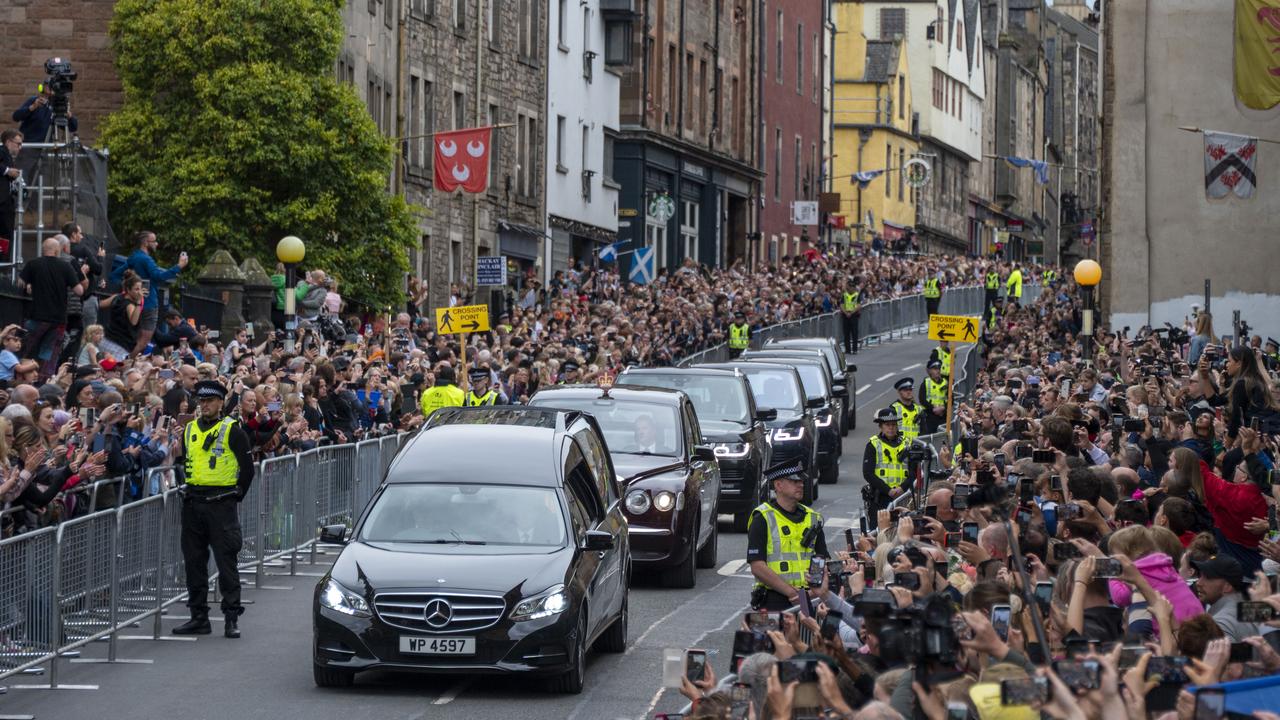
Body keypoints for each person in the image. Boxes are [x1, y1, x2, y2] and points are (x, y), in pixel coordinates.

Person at [173, 380, 254, 639]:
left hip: (221, 503)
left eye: (209, 401)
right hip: (194, 503)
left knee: (226, 562)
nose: (204, 405)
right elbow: (182, 462)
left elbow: (248, 468)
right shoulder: (189, 430)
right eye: (201, 401)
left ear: (221, 403)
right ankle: (198, 617)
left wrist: (237, 495)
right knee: (194, 563)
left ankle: (231, 618)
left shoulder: (232, 430)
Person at [746, 462, 826, 610]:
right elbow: (757, 566)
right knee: (771, 634)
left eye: (801, 481)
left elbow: (821, 557)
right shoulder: (762, 517)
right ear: (778, 485)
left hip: (809, 598)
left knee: (810, 633)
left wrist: (814, 589)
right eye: (794, 481)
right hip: (773, 598)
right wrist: (791, 593)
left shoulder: (814, 518)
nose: (801, 485)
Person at [19, 236, 86, 378]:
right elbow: (79, 290)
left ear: (43, 250)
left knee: (28, 348)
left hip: (37, 315)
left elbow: (20, 283)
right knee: (49, 353)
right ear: (57, 251)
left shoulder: (33, 264)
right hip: (59, 319)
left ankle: (22, 379)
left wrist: (31, 285)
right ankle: (43, 381)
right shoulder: (66, 266)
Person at [126, 230, 188, 354]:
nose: (157, 244)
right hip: (148, 303)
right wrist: (179, 266)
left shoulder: (133, 257)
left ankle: (131, 366)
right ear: (145, 243)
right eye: (154, 241)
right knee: (143, 341)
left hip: (134, 301)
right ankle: (126, 366)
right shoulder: (146, 259)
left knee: (135, 339)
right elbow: (158, 276)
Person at [861, 408, 907, 531]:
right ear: (881, 426)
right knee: (879, 534)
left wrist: (902, 488)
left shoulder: (906, 444)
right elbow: (868, 473)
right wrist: (888, 491)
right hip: (881, 497)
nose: (891, 428)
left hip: (904, 496)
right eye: (887, 425)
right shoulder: (873, 444)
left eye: (893, 425)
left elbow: (914, 472)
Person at [11, 86, 77, 144]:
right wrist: (32, 107)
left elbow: (73, 128)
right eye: (49, 86)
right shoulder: (34, 100)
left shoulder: (56, 107)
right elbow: (16, 117)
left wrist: (70, 117)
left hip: (47, 147)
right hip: (29, 146)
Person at [0, 130, 22, 250]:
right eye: (18, 144)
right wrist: (8, 171)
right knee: (4, 235)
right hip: (2, 203)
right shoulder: (2, 151)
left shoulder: (7, 156)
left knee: (5, 236)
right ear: (8, 142)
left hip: (6, 204)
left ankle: (3, 259)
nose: (19, 147)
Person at [919, 360, 948, 435]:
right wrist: (933, 408)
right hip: (930, 416)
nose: (938, 371)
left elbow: (951, 399)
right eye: (935, 369)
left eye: (939, 368)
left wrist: (943, 407)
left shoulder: (946, 383)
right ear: (929, 371)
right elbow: (922, 399)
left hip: (943, 416)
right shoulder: (926, 383)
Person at [890, 377, 921, 442]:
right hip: (900, 447)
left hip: (916, 446)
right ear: (899, 392)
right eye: (905, 390)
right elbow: (889, 430)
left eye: (910, 390)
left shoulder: (918, 409)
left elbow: (924, 430)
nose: (908, 392)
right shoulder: (894, 408)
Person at [840, 279, 861, 355]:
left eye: (850, 287)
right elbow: (841, 305)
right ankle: (848, 349)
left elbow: (858, 305)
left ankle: (855, 349)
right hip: (846, 316)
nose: (848, 288)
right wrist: (846, 313)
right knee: (846, 334)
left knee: (854, 333)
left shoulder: (856, 295)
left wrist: (851, 313)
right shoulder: (844, 295)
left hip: (853, 316)